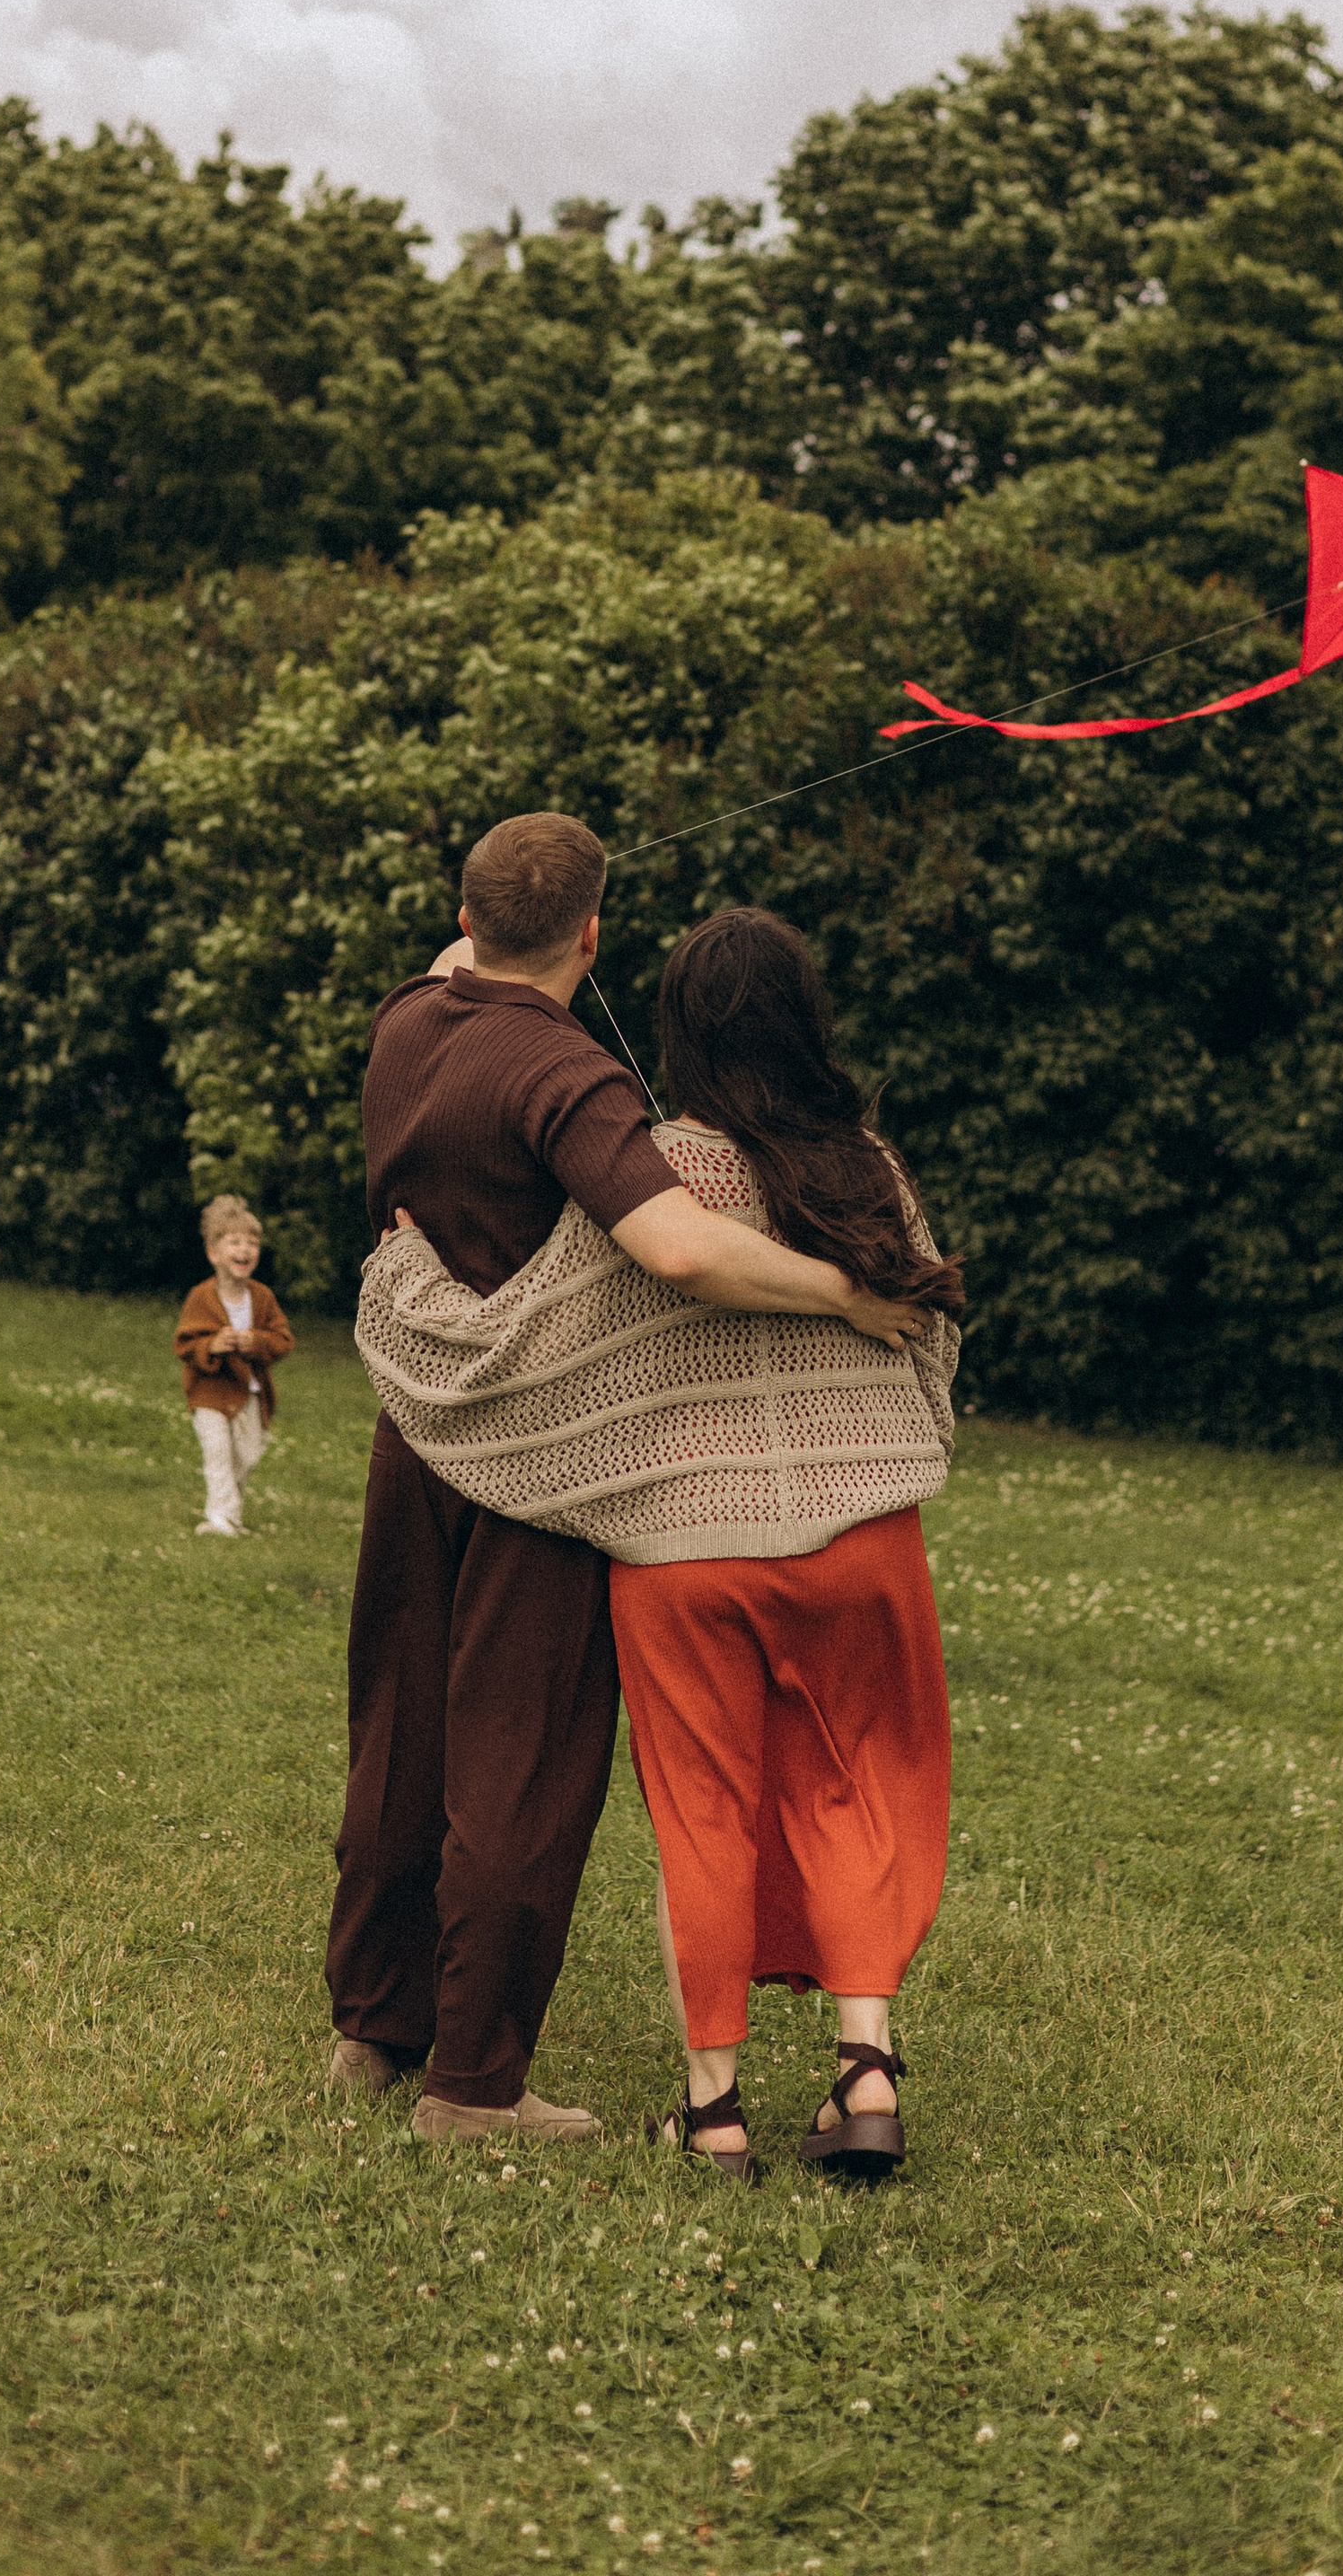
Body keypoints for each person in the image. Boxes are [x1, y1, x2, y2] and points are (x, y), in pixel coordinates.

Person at [326, 814, 928, 2150]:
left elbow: (470, 955)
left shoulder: (410, 1020)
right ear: (593, 935)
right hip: (541, 1452)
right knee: (519, 1767)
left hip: (417, 1422)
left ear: (465, 919)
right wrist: (846, 1291)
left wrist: (504, 917)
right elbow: (678, 1251)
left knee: (401, 1730)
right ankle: (474, 2091)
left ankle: (373, 2030)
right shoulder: (574, 1079)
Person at [174, 1195, 294, 1537]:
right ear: (214, 1253)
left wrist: (253, 1342)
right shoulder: (202, 1297)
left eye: (252, 1242)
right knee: (219, 1454)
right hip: (209, 1394)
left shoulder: (262, 1298)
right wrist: (212, 1345)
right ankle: (220, 1519)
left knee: (248, 1454)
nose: (245, 1249)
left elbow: (283, 1341)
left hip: (250, 1394)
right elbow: (184, 1343)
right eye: (235, 1242)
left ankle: (230, 1516)